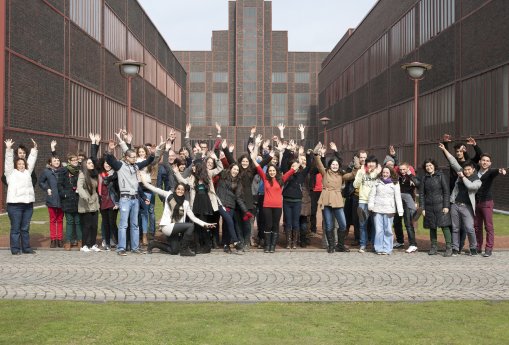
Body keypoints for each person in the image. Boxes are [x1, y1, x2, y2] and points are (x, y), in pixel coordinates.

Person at [104, 134, 157, 256]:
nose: (135, 159)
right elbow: (109, 159)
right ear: (127, 158)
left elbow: (147, 161)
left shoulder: (136, 167)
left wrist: (152, 153)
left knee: (135, 225)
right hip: (125, 199)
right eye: (132, 157)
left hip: (135, 199)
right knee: (123, 225)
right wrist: (111, 149)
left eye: (135, 157)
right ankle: (121, 248)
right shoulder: (120, 166)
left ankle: (135, 247)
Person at [141, 178, 216, 256]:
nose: (180, 191)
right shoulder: (169, 195)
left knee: (174, 251)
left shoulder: (185, 203)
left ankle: (153, 244)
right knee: (190, 226)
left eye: (182, 190)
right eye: (178, 189)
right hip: (167, 226)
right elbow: (155, 189)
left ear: (184, 192)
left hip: (176, 228)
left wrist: (205, 224)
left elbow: (193, 218)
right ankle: (184, 249)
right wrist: (144, 182)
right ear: (175, 189)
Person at [251, 134, 297, 253]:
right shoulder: (265, 178)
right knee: (268, 225)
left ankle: (272, 246)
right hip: (266, 205)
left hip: (277, 206)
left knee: (275, 225)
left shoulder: (281, 179)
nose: (271, 172)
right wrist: (255, 149)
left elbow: (293, 169)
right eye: (270, 170)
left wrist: (294, 153)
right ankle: (267, 245)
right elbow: (257, 166)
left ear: (276, 171)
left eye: (273, 170)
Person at [314, 142, 358, 253]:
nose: (334, 166)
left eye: (336, 165)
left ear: (339, 166)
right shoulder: (325, 172)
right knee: (329, 225)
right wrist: (316, 153)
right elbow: (318, 163)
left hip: (337, 201)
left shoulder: (341, 175)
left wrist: (357, 162)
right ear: (330, 165)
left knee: (343, 224)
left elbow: (353, 174)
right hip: (326, 199)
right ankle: (331, 246)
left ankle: (340, 245)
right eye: (333, 164)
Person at [439, 143, 482, 256]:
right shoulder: (461, 172)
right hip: (455, 205)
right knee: (455, 228)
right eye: (465, 169)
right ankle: (455, 248)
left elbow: (470, 187)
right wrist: (444, 149)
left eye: (468, 169)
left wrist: (462, 177)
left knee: (469, 228)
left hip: (466, 206)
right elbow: (453, 161)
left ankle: (473, 247)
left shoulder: (477, 181)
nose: (466, 171)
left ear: (473, 170)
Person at [4, 138, 38, 255]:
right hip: (15, 205)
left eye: (23, 163)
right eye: (19, 164)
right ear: (16, 165)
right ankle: (15, 249)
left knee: (25, 228)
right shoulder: (10, 173)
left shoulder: (28, 172)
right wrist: (8, 149)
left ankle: (26, 248)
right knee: (15, 229)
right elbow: (8, 163)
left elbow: (31, 161)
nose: (21, 165)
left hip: (28, 205)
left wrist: (34, 149)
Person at [474, 154, 507, 257]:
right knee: (476, 227)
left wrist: (500, 171)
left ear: (490, 163)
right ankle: (477, 247)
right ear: (480, 162)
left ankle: (488, 248)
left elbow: (495, 171)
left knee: (488, 227)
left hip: (486, 202)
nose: (485, 162)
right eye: (483, 160)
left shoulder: (490, 172)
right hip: (476, 203)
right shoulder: (475, 172)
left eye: (487, 161)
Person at [419, 158, 453, 257]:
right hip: (429, 206)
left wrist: (446, 206)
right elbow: (421, 194)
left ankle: (449, 247)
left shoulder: (441, 176)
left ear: (434, 166)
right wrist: (423, 208)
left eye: (430, 165)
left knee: (445, 226)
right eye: (427, 166)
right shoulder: (424, 178)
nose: (429, 167)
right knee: (432, 227)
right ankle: (433, 247)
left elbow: (446, 192)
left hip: (441, 205)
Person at [368, 167, 404, 255]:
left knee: (388, 229)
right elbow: (372, 195)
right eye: (383, 172)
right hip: (377, 209)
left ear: (390, 173)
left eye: (387, 172)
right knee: (379, 230)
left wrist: (400, 210)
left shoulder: (395, 183)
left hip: (389, 210)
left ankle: (387, 248)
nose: (385, 174)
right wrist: (371, 205)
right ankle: (379, 248)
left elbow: (398, 198)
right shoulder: (377, 181)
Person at [353, 155, 381, 253]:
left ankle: (374, 244)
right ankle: (363, 244)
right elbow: (355, 185)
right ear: (366, 163)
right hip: (363, 201)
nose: (371, 164)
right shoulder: (361, 172)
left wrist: (378, 173)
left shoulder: (379, 173)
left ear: (376, 164)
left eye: (373, 162)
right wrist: (362, 173)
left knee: (375, 224)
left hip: (375, 202)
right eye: (369, 162)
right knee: (362, 224)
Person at [39, 153, 65, 248]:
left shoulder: (63, 171)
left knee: (60, 220)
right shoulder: (47, 171)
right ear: (50, 162)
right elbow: (41, 182)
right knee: (53, 220)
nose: (57, 162)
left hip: (62, 200)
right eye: (54, 161)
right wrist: (47, 188)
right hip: (52, 199)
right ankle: (53, 239)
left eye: (58, 160)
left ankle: (60, 239)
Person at [58, 152, 82, 250]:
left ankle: (80, 241)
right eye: (73, 160)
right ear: (69, 161)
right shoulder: (64, 171)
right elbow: (59, 184)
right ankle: (68, 241)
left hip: (78, 198)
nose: (75, 162)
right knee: (69, 221)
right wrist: (64, 194)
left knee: (78, 221)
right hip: (67, 199)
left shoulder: (80, 170)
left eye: (76, 160)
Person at [77, 158, 101, 252]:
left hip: (94, 202)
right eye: (89, 163)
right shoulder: (82, 174)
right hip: (86, 203)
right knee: (87, 225)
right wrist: (85, 197)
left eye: (92, 162)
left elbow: (95, 189)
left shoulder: (94, 175)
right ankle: (84, 245)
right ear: (85, 165)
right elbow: (80, 187)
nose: (92, 164)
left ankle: (93, 244)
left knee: (94, 225)